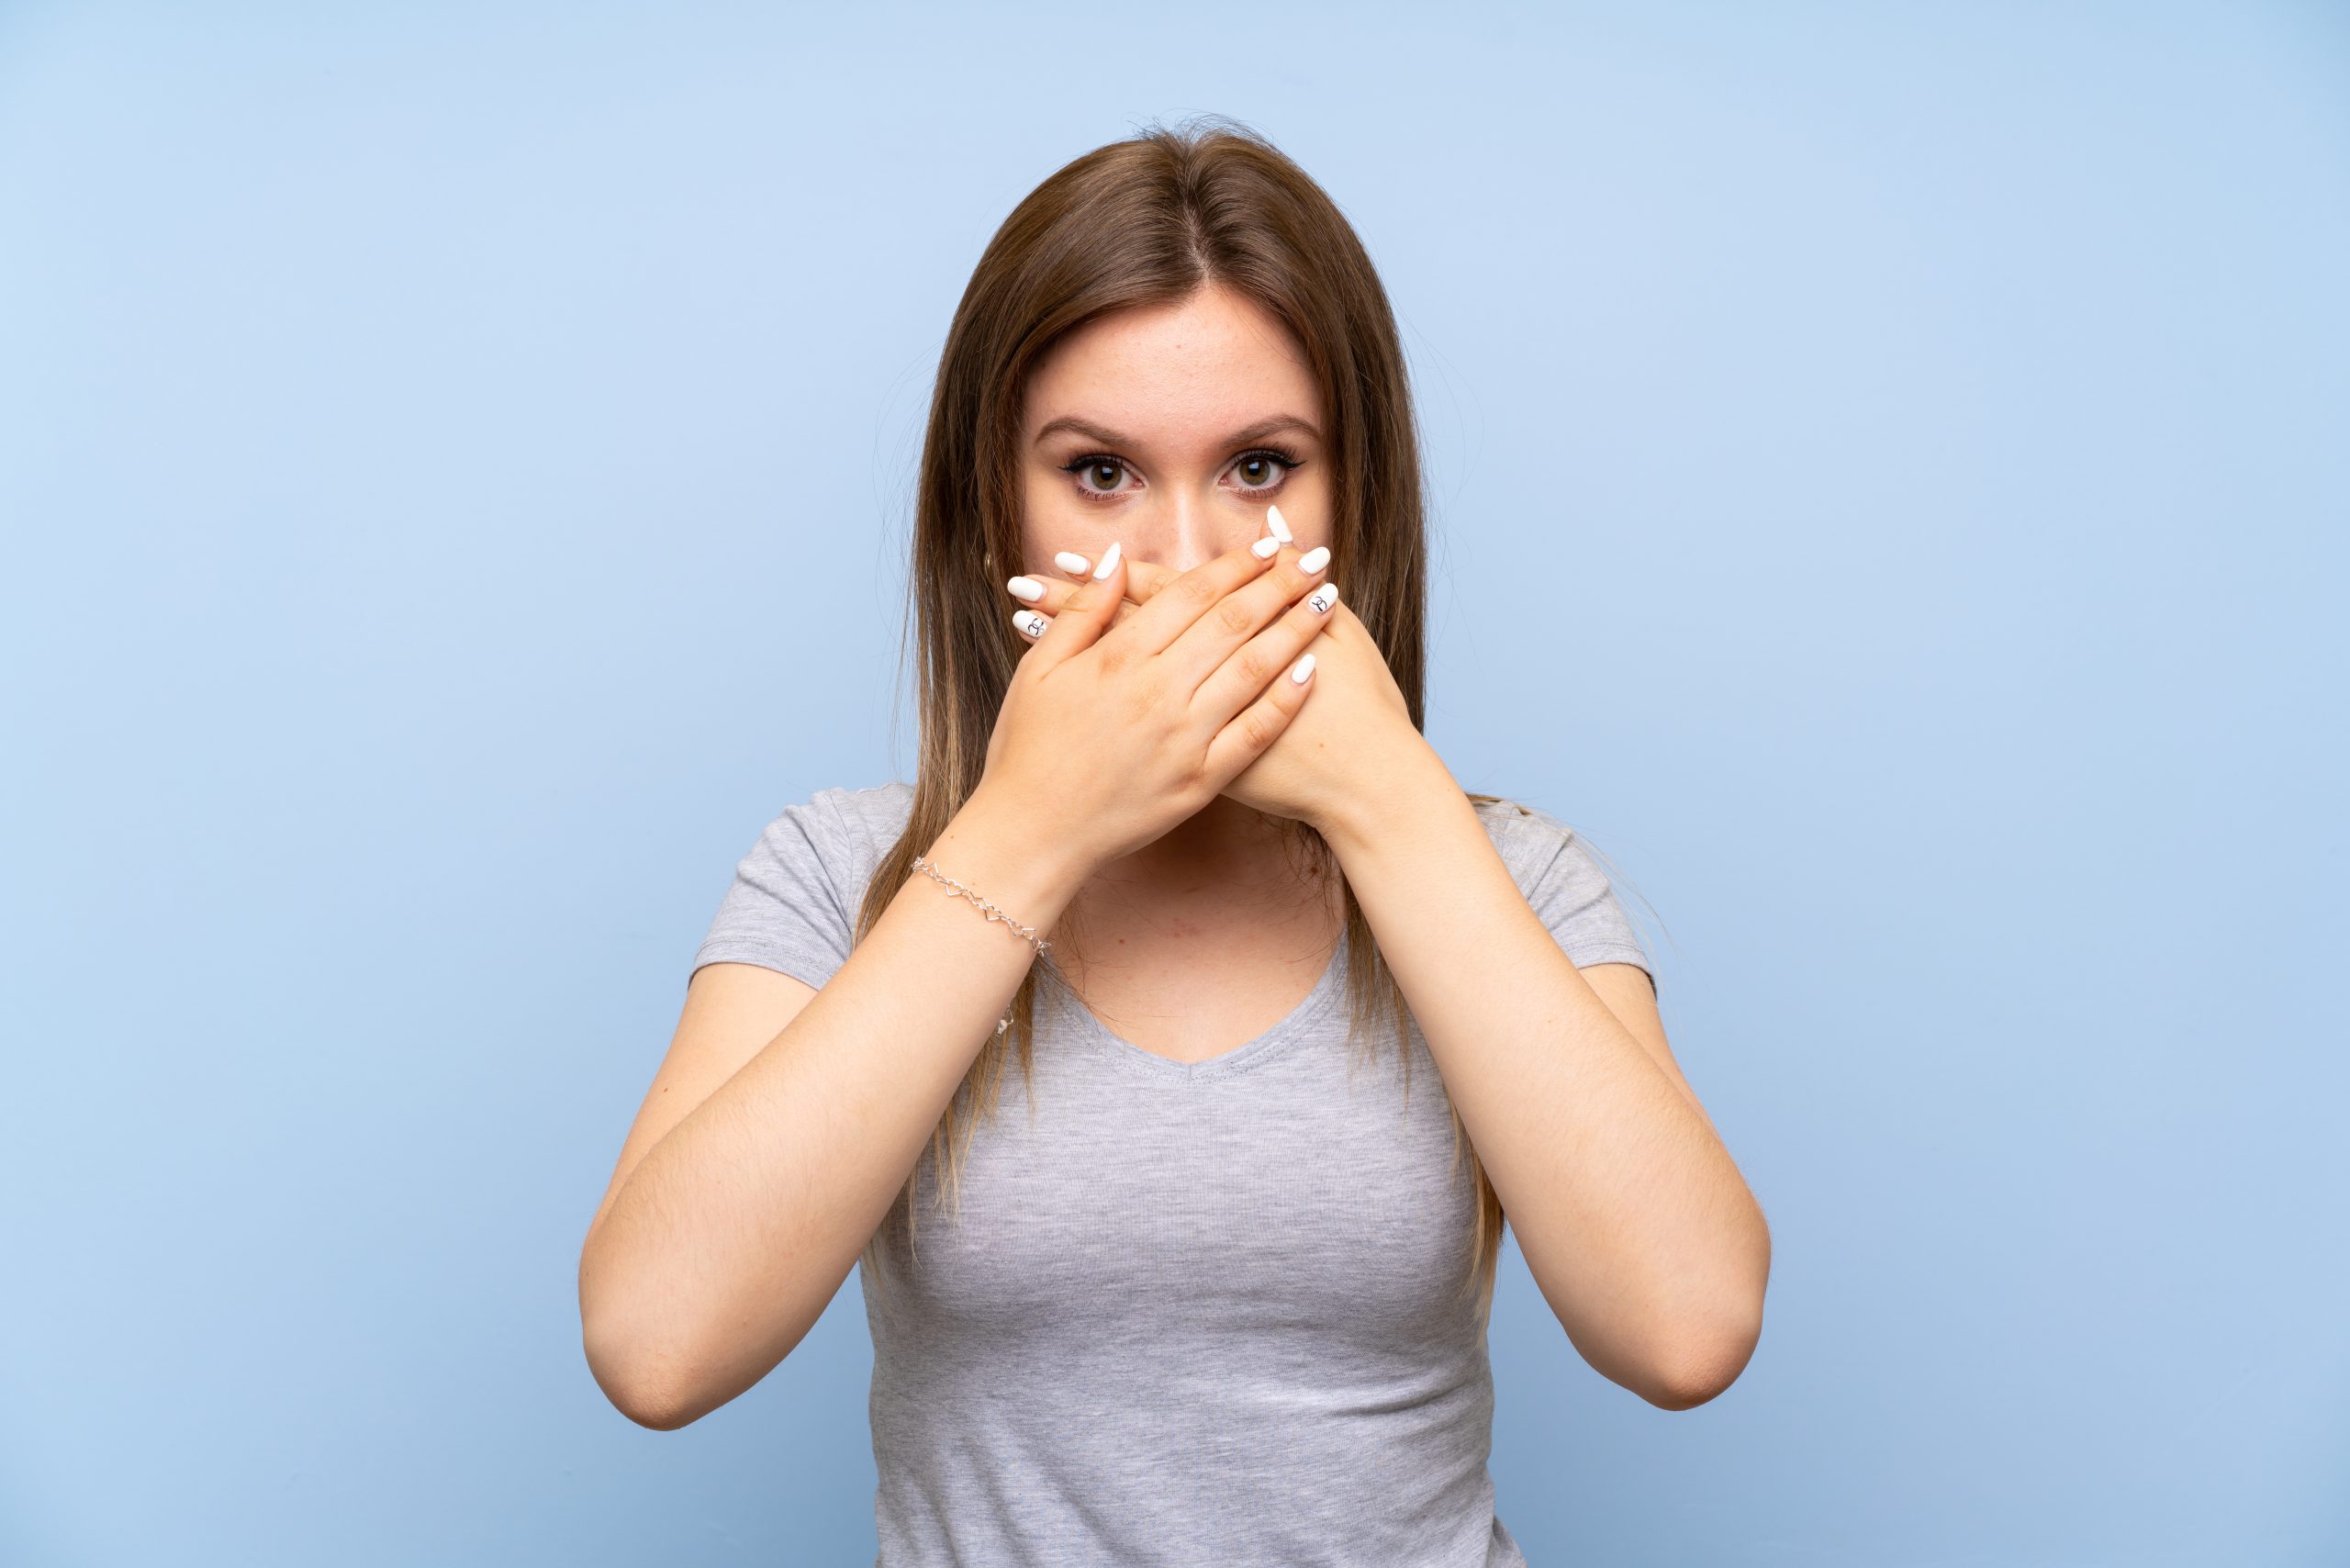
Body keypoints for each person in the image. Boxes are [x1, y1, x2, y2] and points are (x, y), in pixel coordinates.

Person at [579, 118, 1770, 1565]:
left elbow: (1687, 1326)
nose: (1188, 563)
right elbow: (656, 1345)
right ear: (989, 516)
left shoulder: (1505, 877)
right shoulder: (842, 878)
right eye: (1100, 475)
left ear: (1357, 504)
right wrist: (1028, 831)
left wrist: (1389, 802)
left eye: (1262, 469)